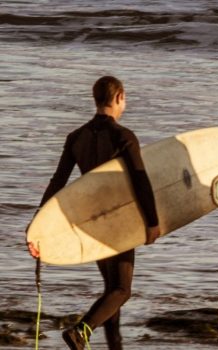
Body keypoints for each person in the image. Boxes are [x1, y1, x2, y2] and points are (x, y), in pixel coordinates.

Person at [26, 76, 161, 350]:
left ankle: (115, 346)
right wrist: (152, 221)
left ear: (95, 98)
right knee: (121, 290)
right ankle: (80, 332)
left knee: (111, 290)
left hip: (90, 222)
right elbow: (140, 181)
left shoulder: (76, 138)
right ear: (120, 96)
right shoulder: (123, 136)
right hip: (119, 221)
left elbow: (58, 182)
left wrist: (36, 225)